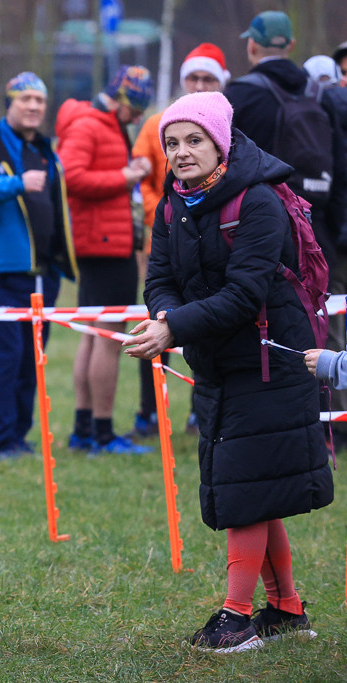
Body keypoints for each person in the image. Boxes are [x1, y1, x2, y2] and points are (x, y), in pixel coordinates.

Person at [124, 91, 333, 653]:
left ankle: (236, 620)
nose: (182, 152)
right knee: (252, 486)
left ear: (220, 141)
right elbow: (157, 280)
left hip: (272, 362)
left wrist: (173, 330)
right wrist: (165, 317)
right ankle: (286, 611)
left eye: (194, 140)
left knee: (245, 492)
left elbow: (244, 295)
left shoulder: (259, 201)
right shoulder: (173, 205)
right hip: (220, 364)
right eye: (172, 143)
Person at [226, 11, 347, 450]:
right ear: (292, 46)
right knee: (320, 321)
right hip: (316, 231)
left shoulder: (239, 95)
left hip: (256, 232)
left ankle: (281, 416)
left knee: (264, 324)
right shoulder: (320, 93)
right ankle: (332, 420)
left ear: (252, 47)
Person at [0, 71, 77, 460]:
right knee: (2, 362)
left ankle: (21, 438)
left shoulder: (46, 149)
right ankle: (3, 441)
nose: (32, 106)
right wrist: (16, 184)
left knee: (32, 362)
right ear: (9, 103)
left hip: (44, 275)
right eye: (24, 99)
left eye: (39, 101)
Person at [129, 43, 231, 438]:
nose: (199, 84)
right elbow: (141, 177)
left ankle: (195, 411)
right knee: (157, 321)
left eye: (208, 79)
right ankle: (150, 409)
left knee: (205, 321)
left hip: (211, 236)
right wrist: (165, 215)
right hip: (170, 231)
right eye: (194, 77)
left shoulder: (221, 126)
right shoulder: (157, 122)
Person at [55, 65, 155, 455]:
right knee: (108, 339)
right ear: (123, 99)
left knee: (94, 336)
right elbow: (71, 177)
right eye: (136, 109)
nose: (138, 118)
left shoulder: (99, 123)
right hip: (104, 244)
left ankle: (85, 429)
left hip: (103, 241)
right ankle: (102, 432)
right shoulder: (90, 125)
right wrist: (126, 175)